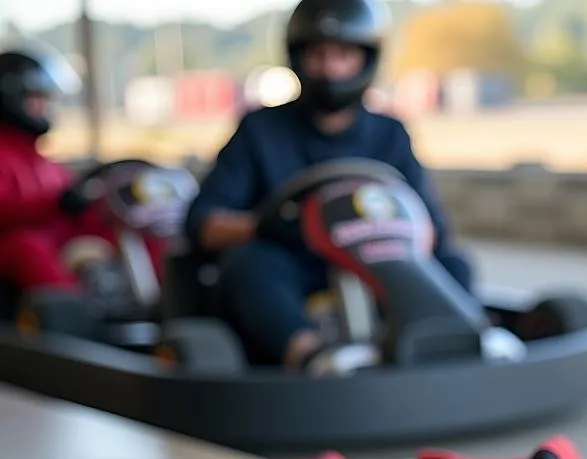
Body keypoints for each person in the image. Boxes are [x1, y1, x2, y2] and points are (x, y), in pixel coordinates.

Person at [185, 0, 476, 373]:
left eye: (343, 55)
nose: (331, 68)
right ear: (298, 59)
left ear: (366, 59)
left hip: (376, 266)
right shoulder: (260, 131)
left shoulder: (389, 134)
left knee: (454, 264)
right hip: (293, 270)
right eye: (319, 55)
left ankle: (448, 343)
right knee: (248, 264)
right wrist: (263, 226)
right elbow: (202, 224)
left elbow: (432, 230)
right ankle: (314, 357)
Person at [0, 39, 165, 311]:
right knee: (27, 247)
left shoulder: (43, 162)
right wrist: (55, 203)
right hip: (15, 250)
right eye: (37, 99)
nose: (45, 107)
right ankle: (77, 322)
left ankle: (159, 310)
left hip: (56, 243)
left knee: (134, 229)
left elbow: (71, 208)